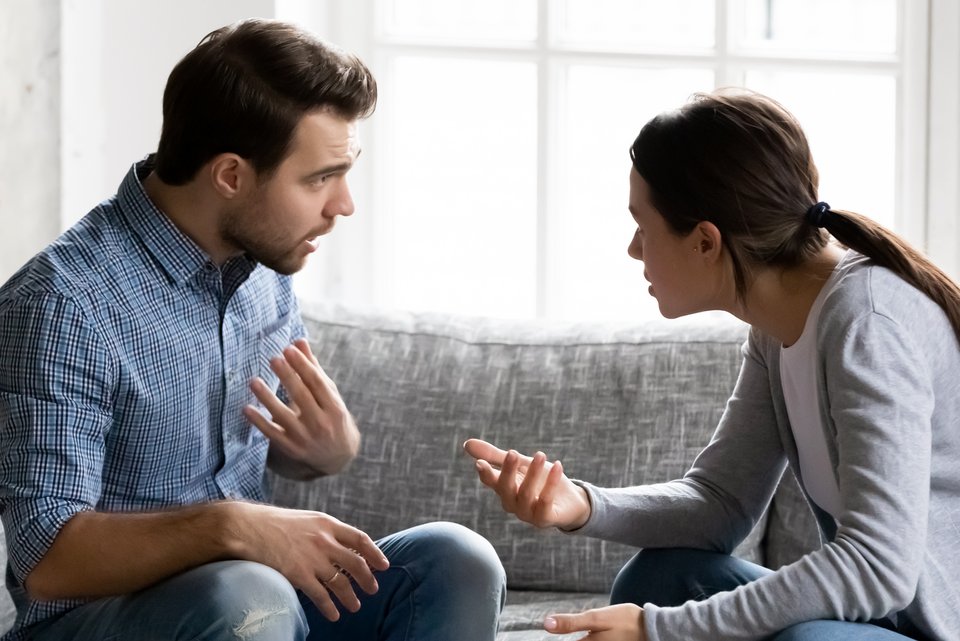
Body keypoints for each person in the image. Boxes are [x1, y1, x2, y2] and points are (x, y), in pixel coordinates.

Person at [0, 18, 504, 641]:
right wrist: (233, 526)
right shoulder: (62, 304)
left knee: (454, 562)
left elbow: (251, 441)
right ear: (231, 176)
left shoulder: (263, 261)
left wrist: (324, 452)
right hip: (109, 619)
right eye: (319, 178)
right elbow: (46, 560)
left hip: (253, 609)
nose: (343, 204)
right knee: (247, 593)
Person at [464, 88, 959, 641]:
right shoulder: (778, 326)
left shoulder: (867, 323)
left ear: (704, 241)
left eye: (642, 225)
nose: (633, 249)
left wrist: (662, 630)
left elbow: (877, 568)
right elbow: (719, 504)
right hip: (877, 624)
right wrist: (580, 504)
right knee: (658, 578)